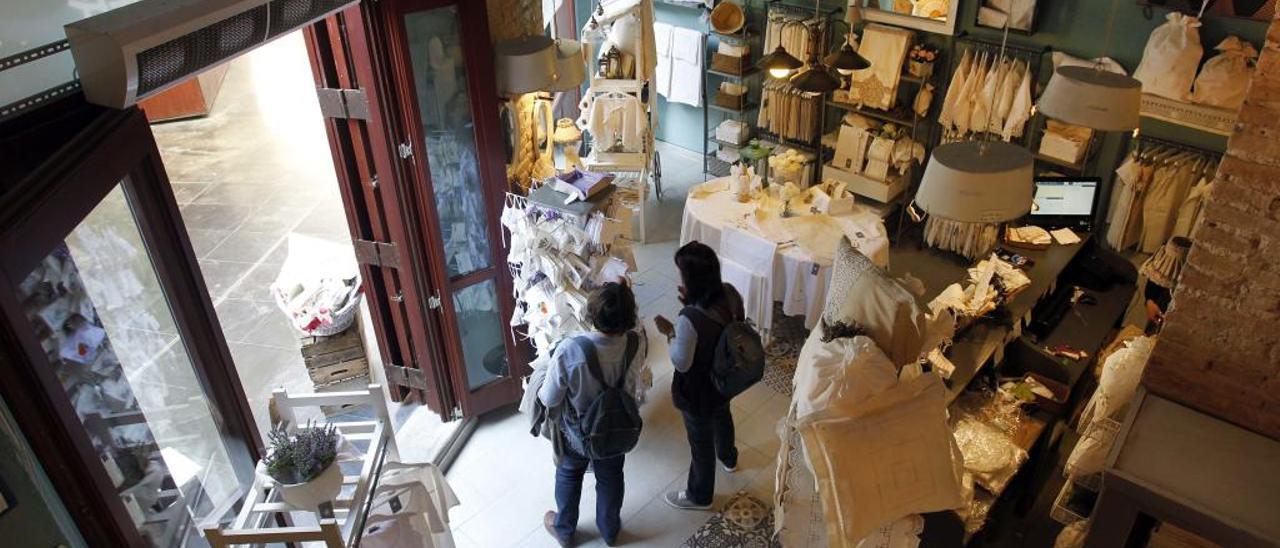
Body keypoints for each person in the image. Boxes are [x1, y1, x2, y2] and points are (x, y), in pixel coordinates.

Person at [539, 281, 647, 547]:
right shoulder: (635, 343)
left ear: (591, 314)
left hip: (578, 434)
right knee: (611, 476)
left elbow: (549, 398)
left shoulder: (569, 350)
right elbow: (636, 386)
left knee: (569, 473)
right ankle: (610, 530)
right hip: (617, 428)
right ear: (629, 317)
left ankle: (564, 530)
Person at [654, 241, 745, 511]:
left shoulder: (689, 320)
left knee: (700, 442)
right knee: (723, 416)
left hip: (698, 390)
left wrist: (671, 332)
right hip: (724, 380)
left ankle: (700, 496)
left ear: (691, 280)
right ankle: (729, 459)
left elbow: (681, 363)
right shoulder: (730, 293)